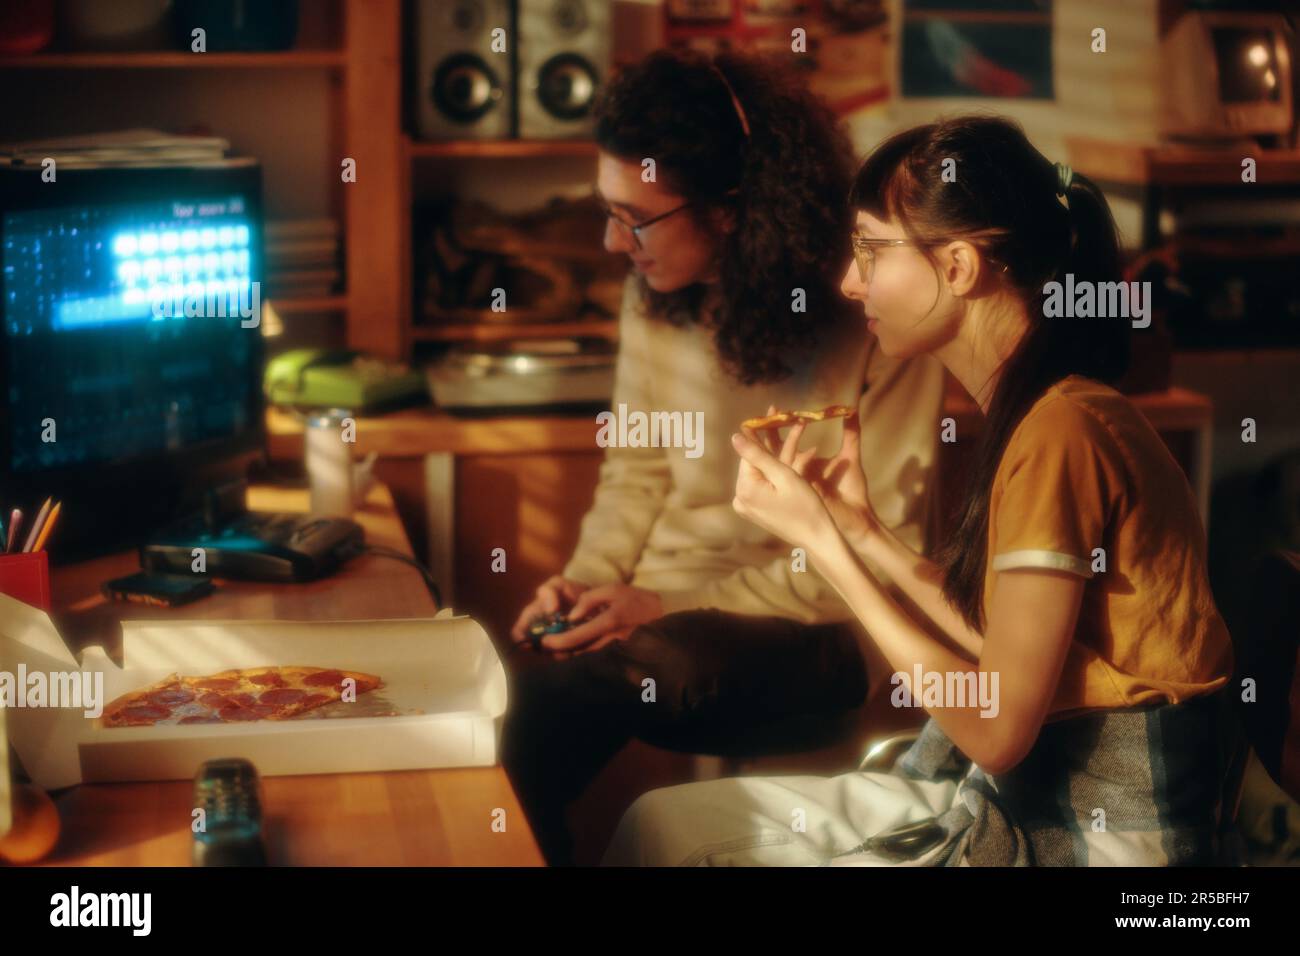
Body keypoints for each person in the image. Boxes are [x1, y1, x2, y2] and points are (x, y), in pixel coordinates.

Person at [602, 115, 1238, 867]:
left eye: (871, 250)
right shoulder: (1050, 412)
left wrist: (824, 549)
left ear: (961, 267)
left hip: (1104, 835)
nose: (847, 280)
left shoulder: (1061, 432)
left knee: (673, 844)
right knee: (657, 822)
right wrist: (865, 533)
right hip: (1053, 791)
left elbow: (997, 730)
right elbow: (999, 645)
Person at [499, 50, 946, 866]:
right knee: (514, 700)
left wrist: (660, 602)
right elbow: (634, 469)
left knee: (644, 666)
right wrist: (589, 583)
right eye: (607, 211)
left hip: (816, 624)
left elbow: (880, 551)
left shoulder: (875, 318)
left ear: (734, 210)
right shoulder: (655, 292)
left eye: (634, 216)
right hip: (654, 617)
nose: (610, 241)